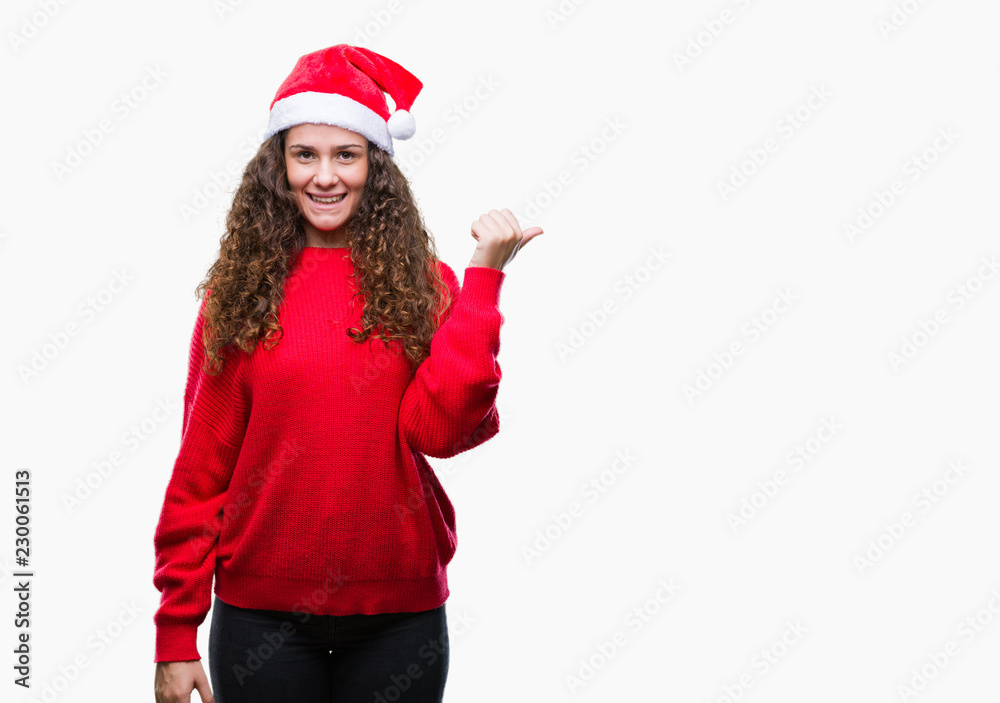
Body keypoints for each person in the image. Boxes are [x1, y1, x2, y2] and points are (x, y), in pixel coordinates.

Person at [152, 44, 542, 703]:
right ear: (279, 166)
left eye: (346, 155)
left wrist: (482, 281)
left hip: (400, 620)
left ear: (375, 166)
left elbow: (444, 429)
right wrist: (175, 634)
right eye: (305, 154)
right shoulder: (239, 295)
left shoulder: (426, 286)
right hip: (262, 620)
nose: (324, 176)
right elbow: (200, 473)